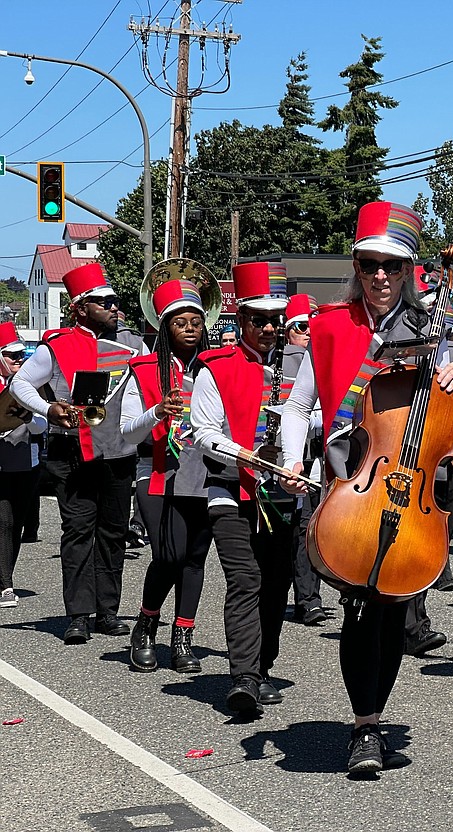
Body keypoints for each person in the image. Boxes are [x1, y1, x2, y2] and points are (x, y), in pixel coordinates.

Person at [280, 201, 453, 773]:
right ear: (356, 267)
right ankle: (365, 725)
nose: (380, 276)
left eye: (391, 265)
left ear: (409, 269)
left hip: (412, 491)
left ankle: (375, 714)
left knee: (392, 611)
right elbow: (297, 406)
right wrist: (295, 463)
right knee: (361, 607)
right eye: (368, 264)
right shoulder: (331, 324)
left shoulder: (436, 326)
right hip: (352, 483)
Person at [10, 263, 146, 644]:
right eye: (104, 302)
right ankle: (78, 615)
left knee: (113, 532)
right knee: (78, 531)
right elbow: (20, 383)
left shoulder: (134, 344)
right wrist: (49, 408)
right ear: (82, 308)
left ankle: (108, 611)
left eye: (116, 301)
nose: (114, 307)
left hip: (118, 451)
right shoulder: (56, 345)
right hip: (71, 450)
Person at [191, 261, 300, 714]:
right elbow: (201, 431)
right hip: (230, 493)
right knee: (246, 580)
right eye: (260, 320)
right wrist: (243, 454)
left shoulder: (301, 369)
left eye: (277, 320)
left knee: (276, 586)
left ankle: (263, 665)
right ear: (242, 322)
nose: (271, 328)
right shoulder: (214, 368)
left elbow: (321, 419)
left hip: (281, 494)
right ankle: (244, 677)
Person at [120, 279, 214, 672]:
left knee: (194, 558)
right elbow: (126, 431)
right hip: (156, 468)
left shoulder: (217, 367)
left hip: (204, 470)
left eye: (196, 321)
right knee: (169, 554)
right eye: (180, 322)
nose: (190, 327)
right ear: (164, 329)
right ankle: (146, 623)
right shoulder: (141, 368)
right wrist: (157, 411)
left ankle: (182, 638)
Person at [283, 293, 327, 627]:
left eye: (312, 324)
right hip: (291, 455)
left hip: (322, 455)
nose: (308, 332)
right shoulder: (282, 363)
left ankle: (310, 598)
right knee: (299, 529)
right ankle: (303, 597)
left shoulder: (322, 355)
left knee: (312, 526)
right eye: (301, 326)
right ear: (288, 331)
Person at [0, 322, 47, 608]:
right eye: (11, 355)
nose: (18, 360)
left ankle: (6, 577)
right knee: (3, 522)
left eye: (21, 355)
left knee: (15, 523)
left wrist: (28, 417)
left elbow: (43, 425)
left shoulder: (29, 386)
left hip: (26, 464)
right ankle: (5, 585)